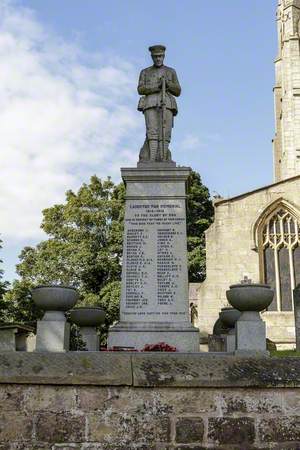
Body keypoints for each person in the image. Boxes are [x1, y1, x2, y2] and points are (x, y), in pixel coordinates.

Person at [137, 45, 181, 162]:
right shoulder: (145, 72)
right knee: (152, 131)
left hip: (167, 103)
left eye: (160, 56)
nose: (158, 59)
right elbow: (140, 89)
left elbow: (178, 91)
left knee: (165, 132)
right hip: (150, 103)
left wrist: (168, 84)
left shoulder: (171, 71)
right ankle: (151, 159)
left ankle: (164, 158)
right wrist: (156, 86)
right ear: (152, 57)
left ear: (164, 56)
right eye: (156, 56)